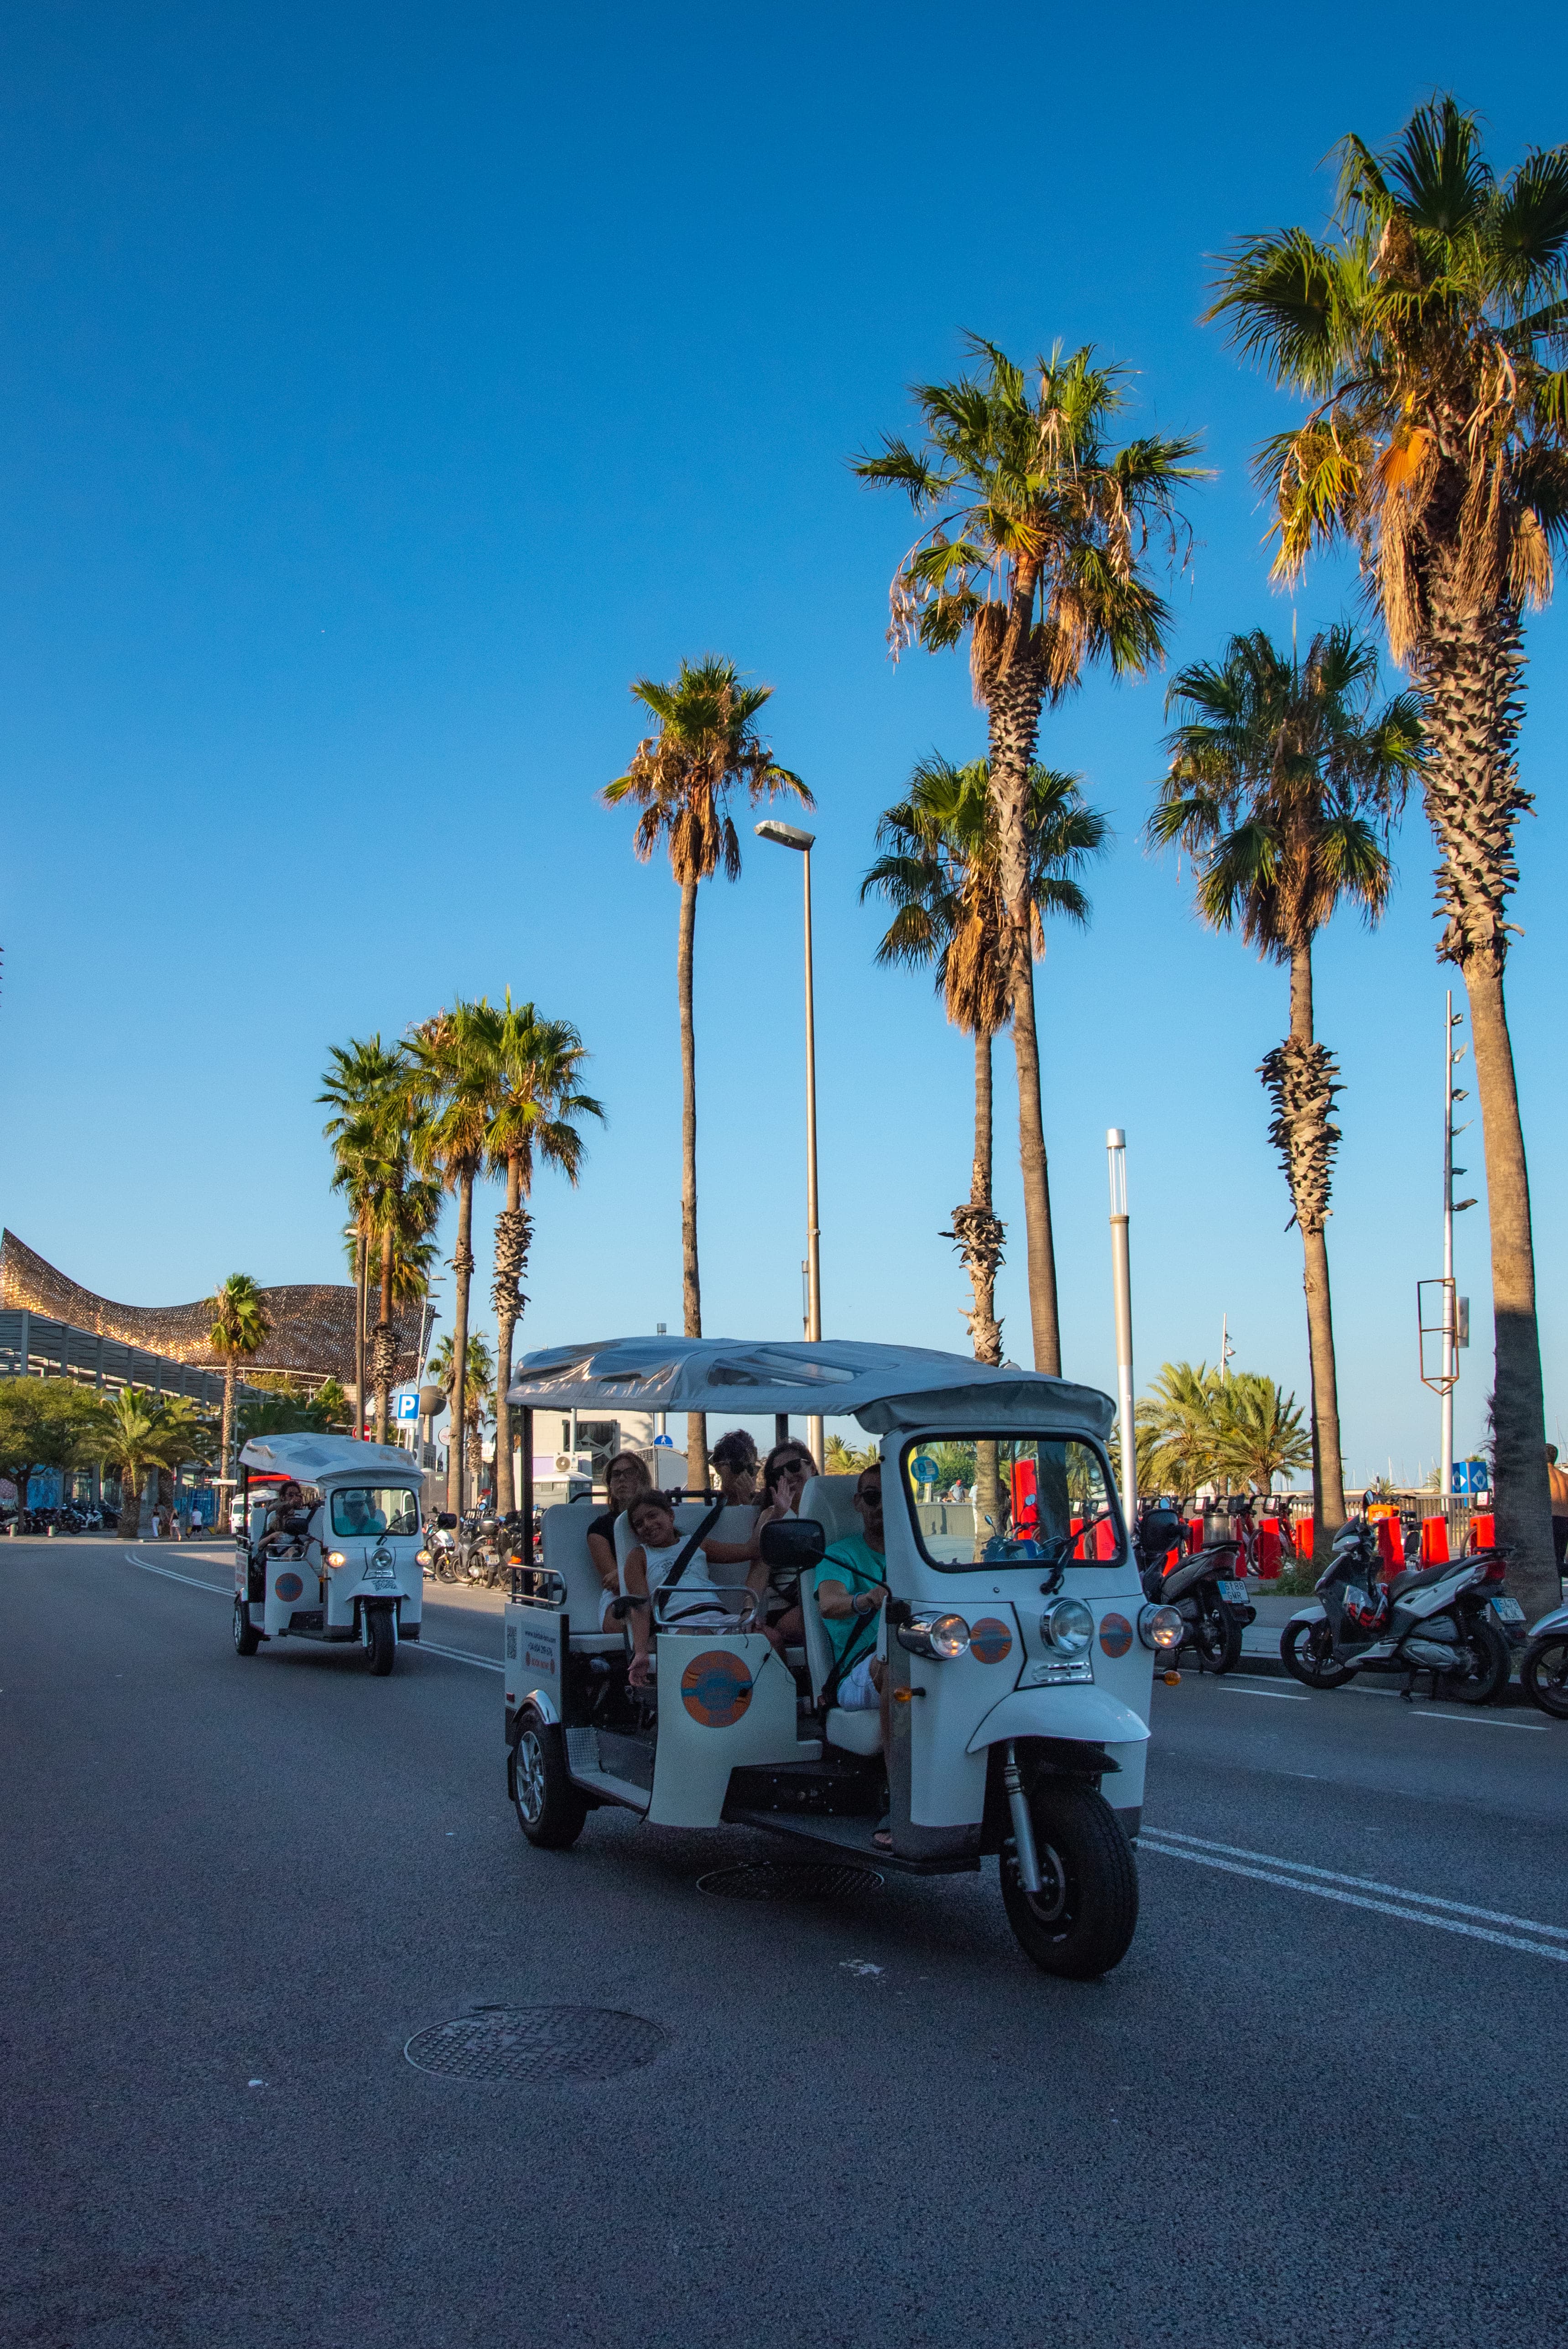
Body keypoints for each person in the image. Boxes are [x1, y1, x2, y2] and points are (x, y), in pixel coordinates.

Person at [812, 1463, 892, 1843]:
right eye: (873, 1497)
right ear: (858, 1503)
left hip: (924, 1654)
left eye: (892, 1496)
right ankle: (902, 1801)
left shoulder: (927, 1557)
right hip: (858, 1673)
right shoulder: (839, 1554)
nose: (882, 1505)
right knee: (898, 1669)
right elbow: (828, 1604)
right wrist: (867, 1599)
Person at [587, 1451, 654, 1628]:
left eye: (630, 1473)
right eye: (616, 1474)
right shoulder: (599, 1528)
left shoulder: (659, 1519)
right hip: (621, 1600)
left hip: (662, 1594)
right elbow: (617, 1584)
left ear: (642, 1479)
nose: (622, 1479)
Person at [1548, 1445, 1568, 1570]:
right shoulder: (1565, 1477)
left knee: (1550, 1563)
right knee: (1559, 1560)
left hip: (1551, 1521)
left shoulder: (1541, 1477)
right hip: (1565, 1521)